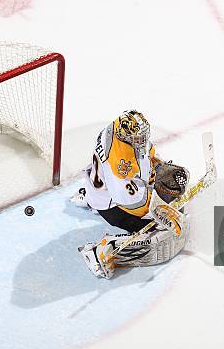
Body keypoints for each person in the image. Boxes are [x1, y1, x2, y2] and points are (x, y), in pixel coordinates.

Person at [72, 110, 190, 279]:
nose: (141, 141)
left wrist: (155, 164)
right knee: (157, 228)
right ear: (125, 137)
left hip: (102, 189)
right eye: (137, 139)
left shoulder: (115, 130)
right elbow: (128, 199)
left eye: (143, 136)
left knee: (171, 181)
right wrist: (159, 209)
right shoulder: (120, 163)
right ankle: (99, 251)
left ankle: (91, 197)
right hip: (113, 206)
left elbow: (143, 151)